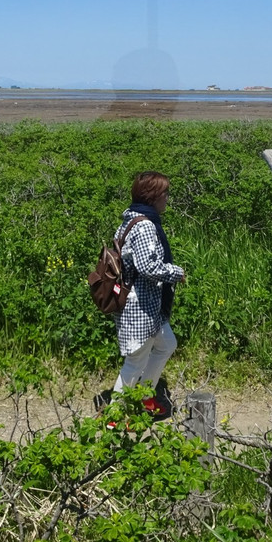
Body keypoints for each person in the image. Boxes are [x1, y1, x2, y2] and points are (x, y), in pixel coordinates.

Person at [110, 171, 187, 418]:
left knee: (167, 344)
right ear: (153, 196)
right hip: (139, 306)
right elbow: (147, 266)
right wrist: (176, 272)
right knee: (135, 361)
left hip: (147, 305)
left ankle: (144, 396)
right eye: (165, 193)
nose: (167, 198)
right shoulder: (144, 225)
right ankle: (115, 416)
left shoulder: (130, 219)